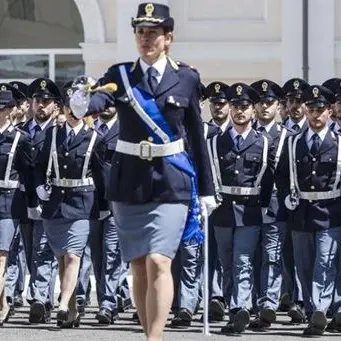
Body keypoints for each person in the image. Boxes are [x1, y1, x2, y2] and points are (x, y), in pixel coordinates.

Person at [70, 3, 216, 340]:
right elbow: (96, 104)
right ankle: (147, 329)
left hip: (172, 181)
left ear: (168, 38)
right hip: (129, 183)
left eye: (153, 32)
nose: (146, 38)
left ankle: (156, 337)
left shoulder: (186, 78)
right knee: (137, 266)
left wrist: (206, 190)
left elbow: (196, 136)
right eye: (140, 32)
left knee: (159, 262)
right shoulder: (120, 75)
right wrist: (80, 103)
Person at [34, 81, 104, 328]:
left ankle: (62, 305)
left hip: (82, 203)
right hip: (55, 204)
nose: (73, 111)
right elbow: (38, 164)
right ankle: (72, 309)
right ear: (63, 108)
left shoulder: (95, 137)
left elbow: (102, 174)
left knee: (74, 255)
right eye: (69, 106)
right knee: (62, 258)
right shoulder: (51, 134)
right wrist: (38, 187)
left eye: (78, 107)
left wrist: (105, 205)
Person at [208, 83, 275, 334]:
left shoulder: (263, 143)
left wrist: (264, 208)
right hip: (222, 210)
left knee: (243, 261)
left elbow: (267, 179)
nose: (239, 111)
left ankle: (241, 307)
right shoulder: (215, 142)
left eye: (245, 106)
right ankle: (232, 307)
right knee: (226, 264)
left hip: (250, 211)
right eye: (235, 106)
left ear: (253, 110)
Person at [276, 85, 341, 336]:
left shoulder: (338, 142)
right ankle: (315, 307)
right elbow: (281, 176)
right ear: (306, 110)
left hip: (330, 210)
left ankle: (321, 311)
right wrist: (287, 199)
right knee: (303, 265)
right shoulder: (293, 143)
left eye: (320, 110)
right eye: (312, 109)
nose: (316, 114)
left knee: (324, 263)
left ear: (328, 111)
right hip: (301, 211)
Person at [0, 89, 31, 325]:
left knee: (2, 257)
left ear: (10, 111)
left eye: (2, 108)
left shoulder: (20, 139)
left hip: (9, 202)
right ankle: (3, 302)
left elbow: (29, 174)